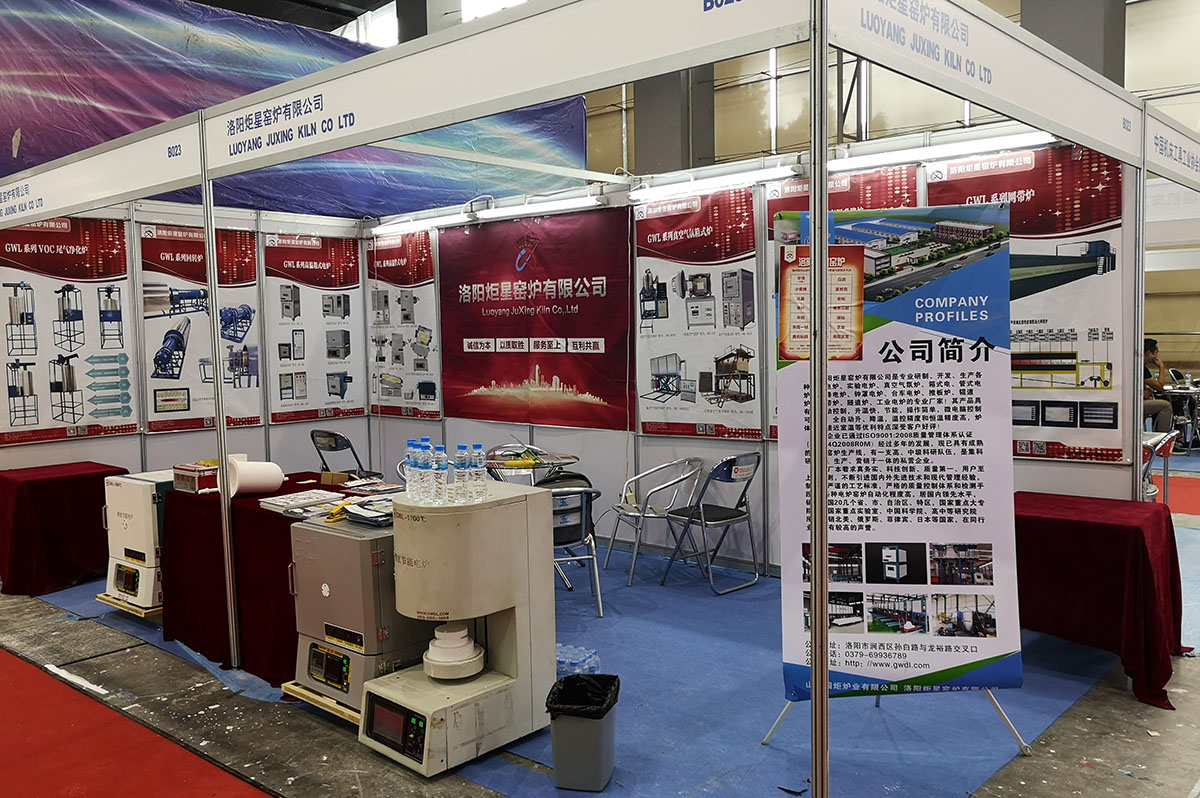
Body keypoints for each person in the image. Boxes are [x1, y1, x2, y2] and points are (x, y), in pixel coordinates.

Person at [1144, 338, 1174, 433]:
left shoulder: (1137, 365)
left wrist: (1147, 390)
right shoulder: (1142, 368)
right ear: (1149, 353)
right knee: (1166, 406)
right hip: (1133, 404)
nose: (1157, 356)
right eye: (1156, 353)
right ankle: (1163, 437)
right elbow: (1160, 387)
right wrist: (1161, 367)